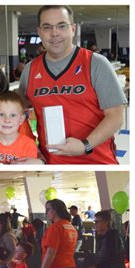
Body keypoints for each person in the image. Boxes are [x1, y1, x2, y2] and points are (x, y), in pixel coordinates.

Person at [19, 5, 127, 164]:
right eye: (47, 27)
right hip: (52, 164)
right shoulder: (30, 70)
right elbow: (19, 106)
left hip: (97, 162)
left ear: (73, 29)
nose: (54, 33)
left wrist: (85, 145)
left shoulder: (95, 63)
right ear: (40, 32)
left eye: (61, 26)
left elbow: (116, 116)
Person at [0, 92, 38, 164]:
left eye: (13, 115)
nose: (7, 120)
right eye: (1, 114)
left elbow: (30, 173)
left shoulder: (29, 145)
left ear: (21, 119)